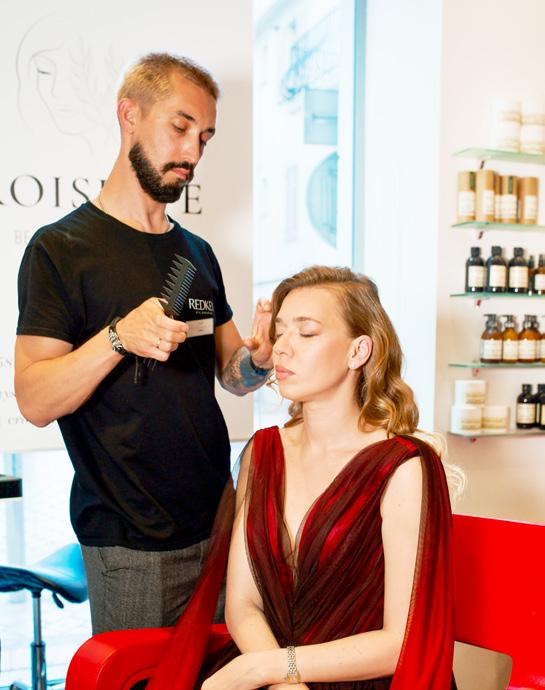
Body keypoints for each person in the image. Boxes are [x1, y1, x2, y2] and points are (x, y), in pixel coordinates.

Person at [14, 53, 273, 635]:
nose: (192, 153)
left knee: (221, 672)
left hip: (219, 521)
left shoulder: (197, 254)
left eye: (204, 138)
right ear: (129, 114)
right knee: (142, 676)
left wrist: (257, 360)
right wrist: (117, 337)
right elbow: (33, 399)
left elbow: (232, 373)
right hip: (131, 542)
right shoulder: (61, 250)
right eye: (180, 127)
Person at [146, 265, 460, 690]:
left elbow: (401, 641)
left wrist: (266, 669)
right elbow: (243, 604)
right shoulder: (263, 452)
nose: (281, 348)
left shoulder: (404, 467)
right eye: (280, 332)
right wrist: (283, 680)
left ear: (358, 351)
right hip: (269, 669)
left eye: (307, 333)